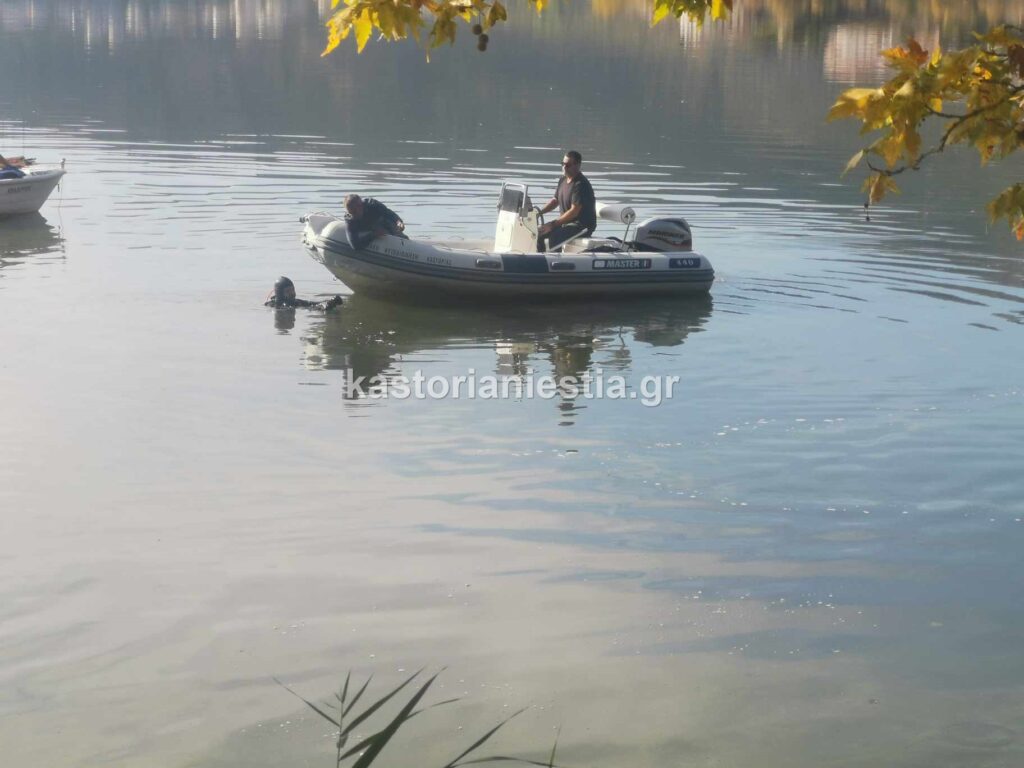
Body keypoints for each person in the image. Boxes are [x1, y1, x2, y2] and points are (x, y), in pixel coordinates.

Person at [537, 150, 597, 251]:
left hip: (581, 225)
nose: (564, 167)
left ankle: (555, 263)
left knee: (555, 237)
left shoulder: (580, 184)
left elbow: (574, 211)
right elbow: (555, 201)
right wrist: (538, 212)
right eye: (563, 164)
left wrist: (552, 225)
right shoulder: (562, 179)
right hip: (567, 223)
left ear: (577, 165)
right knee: (540, 234)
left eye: (568, 165)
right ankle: (539, 259)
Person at [264, 276, 343, 310]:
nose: (292, 293)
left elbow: (310, 303)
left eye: (293, 290)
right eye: (288, 291)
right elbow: (305, 308)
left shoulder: (296, 301)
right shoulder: (273, 305)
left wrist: (330, 301)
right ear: (280, 293)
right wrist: (320, 307)